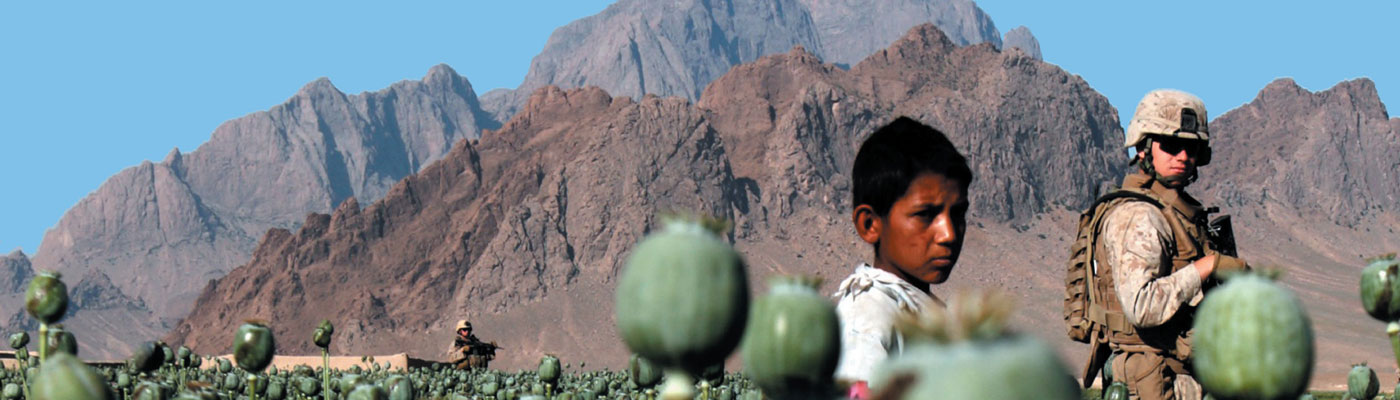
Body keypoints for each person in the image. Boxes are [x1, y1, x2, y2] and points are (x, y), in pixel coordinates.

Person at [1084, 89, 1248, 400]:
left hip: (1180, 377)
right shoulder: (1139, 215)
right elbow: (1142, 307)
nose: (1183, 156)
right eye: (1171, 146)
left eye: (1191, 147)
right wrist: (1206, 266)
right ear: (1144, 149)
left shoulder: (1178, 214)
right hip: (1153, 383)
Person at [832, 116, 973, 397]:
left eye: (957, 214)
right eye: (925, 214)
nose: (948, 234)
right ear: (870, 224)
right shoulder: (867, 318)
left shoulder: (918, 309)